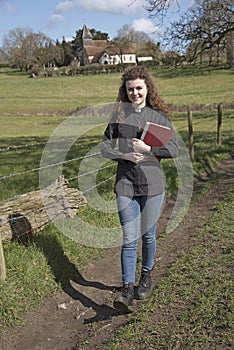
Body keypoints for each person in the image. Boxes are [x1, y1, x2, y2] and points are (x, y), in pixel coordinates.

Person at [101, 66, 178, 312]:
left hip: (153, 184)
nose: (135, 93)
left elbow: (174, 150)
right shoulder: (118, 117)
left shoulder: (159, 117)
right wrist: (125, 155)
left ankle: (146, 275)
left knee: (148, 235)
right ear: (125, 91)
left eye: (139, 88)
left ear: (147, 89)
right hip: (125, 184)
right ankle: (126, 289)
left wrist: (148, 151)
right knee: (129, 238)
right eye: (130, 89)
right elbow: (104, 148)